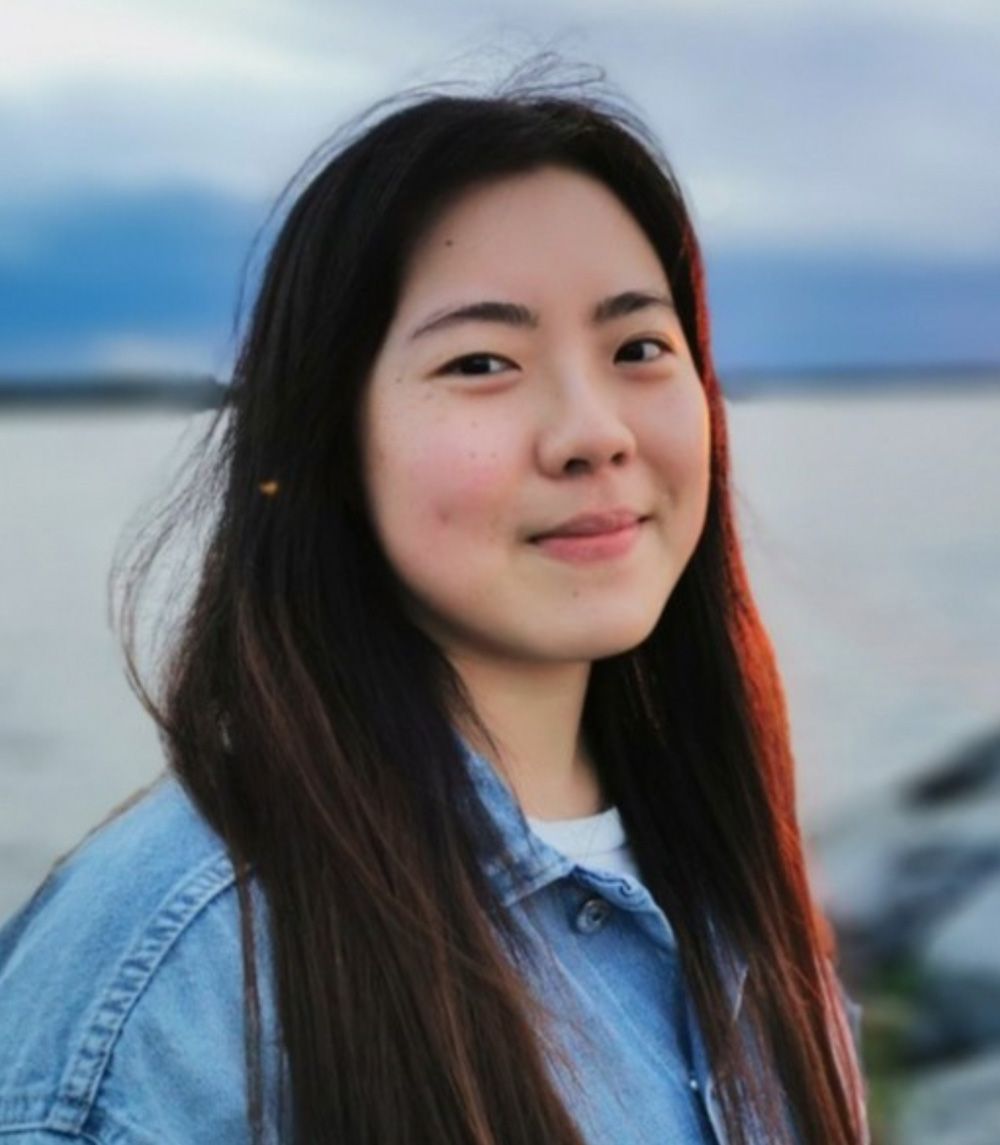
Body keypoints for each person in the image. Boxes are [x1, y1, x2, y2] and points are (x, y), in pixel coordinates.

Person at [0, 62, 868, 1144]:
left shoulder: (730, 880)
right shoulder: (181, 976)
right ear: (329, 443)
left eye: (638, 346)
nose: (594, 430)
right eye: (482, 361)